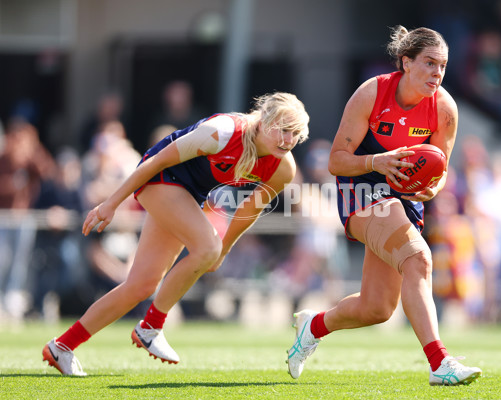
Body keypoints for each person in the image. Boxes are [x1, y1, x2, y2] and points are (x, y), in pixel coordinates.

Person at [42, 92, 310, 376]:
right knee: (207, 246)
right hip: (160, 179)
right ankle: (152, 326)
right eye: (283, 130)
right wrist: (111, 204)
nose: (288, 140)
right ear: (263, 122)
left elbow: (249, 210)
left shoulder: (283, 167)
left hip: (186, 194)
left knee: (141, 286)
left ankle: (62, 346)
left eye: (295, 133)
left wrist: (225, 249)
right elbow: (156, 161)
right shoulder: (222, 132)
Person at [285, 26, 482, 386]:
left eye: (443, 66)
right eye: (429, 63)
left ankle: (311, 327)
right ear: (406, 62)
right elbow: (336, 161)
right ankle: (439, 363)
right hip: (361, 189)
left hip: (401, 199)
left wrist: (428, 189)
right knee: (419, 259)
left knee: (376, 308)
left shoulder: (444, 109)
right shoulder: (372, 93)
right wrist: (378, 161)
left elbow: (438, 175)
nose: (437, 73)